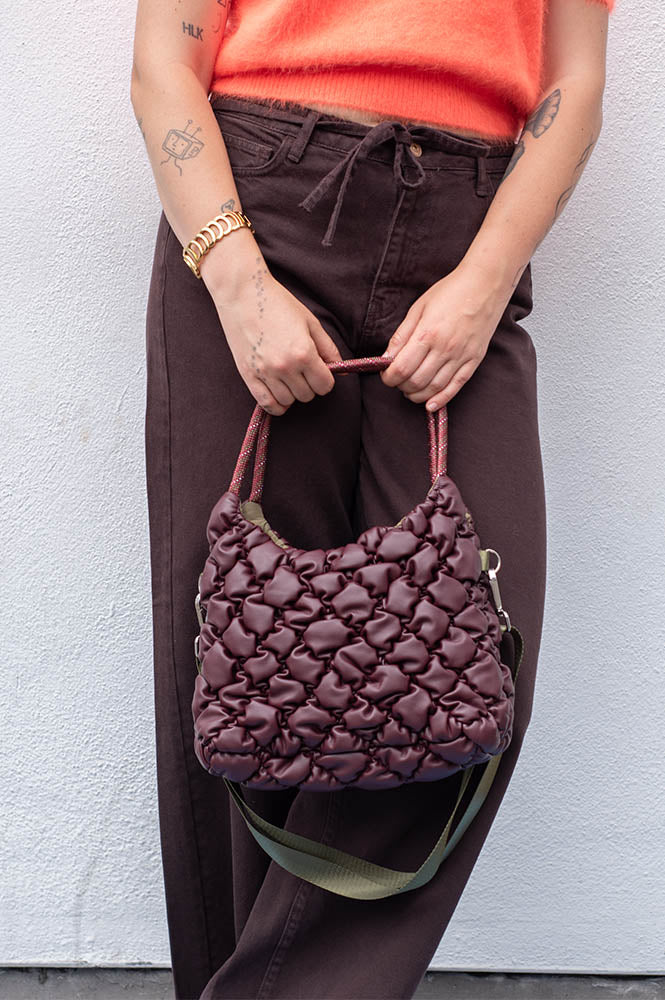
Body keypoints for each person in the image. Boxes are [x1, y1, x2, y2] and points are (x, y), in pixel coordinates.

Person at [130, 0, 614, 996]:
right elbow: (162, 63)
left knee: (468, 670)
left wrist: (484, 283)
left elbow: (574, 80)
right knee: (242, 667)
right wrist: (237, 279)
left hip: (467, 231)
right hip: (257, 210)